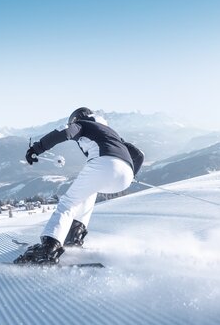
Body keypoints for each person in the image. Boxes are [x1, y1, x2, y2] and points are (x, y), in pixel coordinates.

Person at [15, 107, 144, 265]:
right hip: (125, 175)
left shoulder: (83, 124)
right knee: (89, 191)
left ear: (76, 119)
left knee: (68, 203)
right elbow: (138, 154)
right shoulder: (110, 131)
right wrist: (130, 174)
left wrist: (36, 148)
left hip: (104, 164)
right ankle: (74, 237)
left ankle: (48, 249)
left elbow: (64, 132)